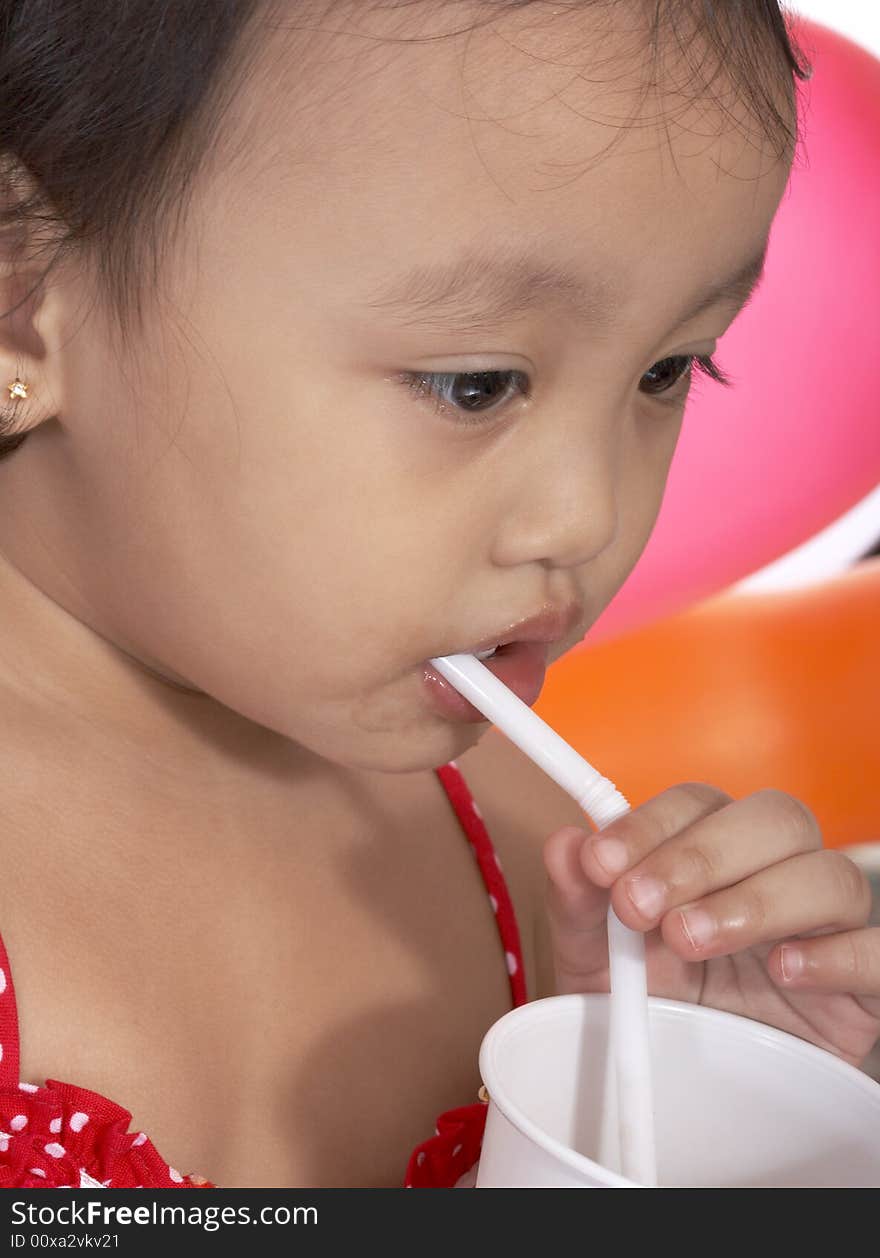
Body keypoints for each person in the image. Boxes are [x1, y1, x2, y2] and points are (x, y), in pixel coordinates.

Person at [0, 0, 876, 1190]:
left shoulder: (536, 856)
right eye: (475, 385)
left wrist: (699, 1123)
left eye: (668, 368)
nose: (589, 516)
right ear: (22, 297)